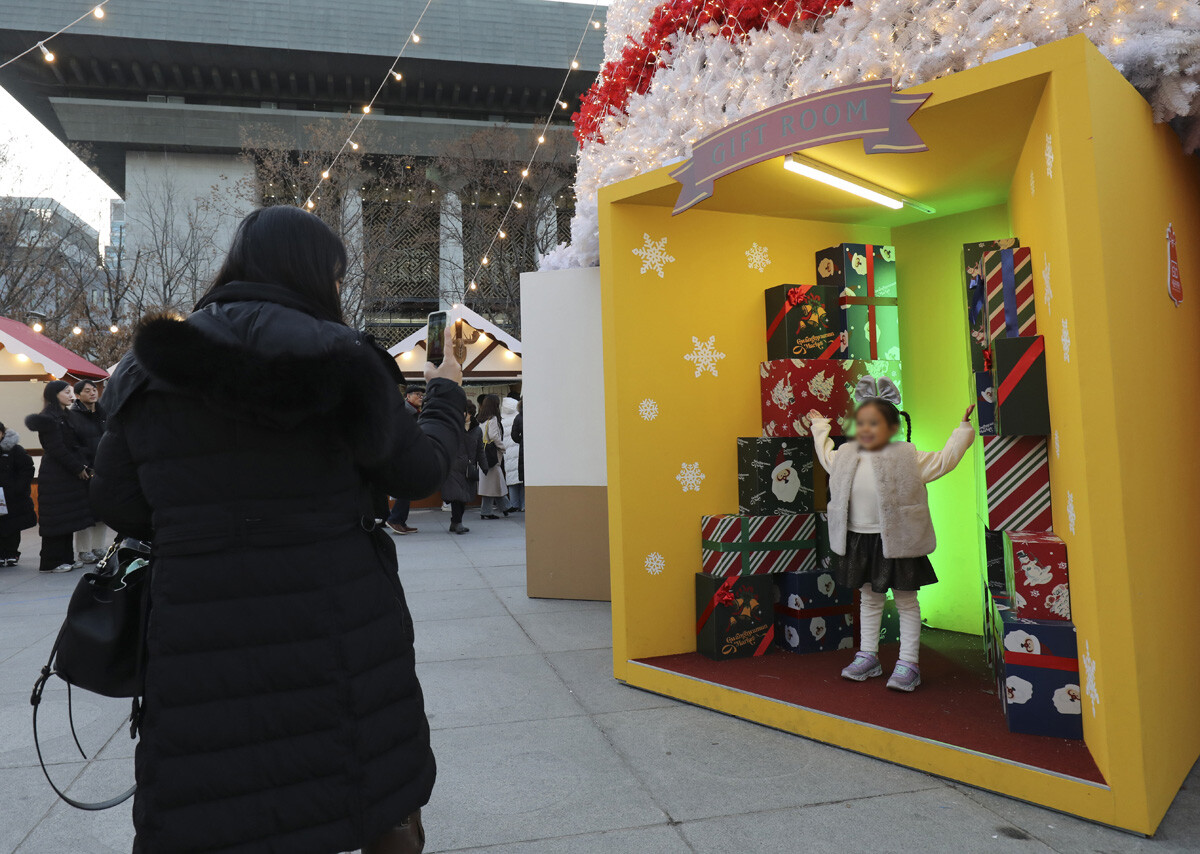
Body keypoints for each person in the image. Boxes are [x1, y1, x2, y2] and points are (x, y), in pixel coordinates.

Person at [90, 205, 465, 854]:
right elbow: (419, 471)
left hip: (199, 633)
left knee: (216, 800)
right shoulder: (347, 358)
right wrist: (445, 393)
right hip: (338, 622)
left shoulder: (147, 368)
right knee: (366, 787)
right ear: (318, 274)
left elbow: (117, 499)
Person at [808, 376, 974, 693]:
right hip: (859, 539)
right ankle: (868, 656)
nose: (867, 429)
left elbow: (944, 460)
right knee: (869, 598)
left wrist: (962, 430)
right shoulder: (845, 454)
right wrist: (820, 428)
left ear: (893, 427)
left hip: (898, 540)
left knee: (906, 601)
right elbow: (826, 456)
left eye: (875, 423)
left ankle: (908, 662)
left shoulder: (908, 457)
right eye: (862, 423)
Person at [25, 381, 94, 573]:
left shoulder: (65, 416)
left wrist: (83, 463)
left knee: (67, 519)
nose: (71, 395)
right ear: (54, 395)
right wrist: (77, 467)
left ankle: (66, 558)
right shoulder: (48, 418)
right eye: (66, 392)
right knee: (56, 520)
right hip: (55, 475)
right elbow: (56, 448)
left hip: (66, 474)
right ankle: (51, 562)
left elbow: (74, 444)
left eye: (71, 392)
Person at [69, 379, 111, 562]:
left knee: (103, 510)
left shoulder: (104, 413)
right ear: (78, 395)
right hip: (85, 470)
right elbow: (72, 445)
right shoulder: (73, 416)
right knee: (85, 512)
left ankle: (99, 547)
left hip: (105, 467)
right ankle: (84, 550)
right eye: (87, 390)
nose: (93, 393)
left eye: (94, 389)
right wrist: (83, 465)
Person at [386, 385, 425, 535]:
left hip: (407, 454)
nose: (420, 397)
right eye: (417, 394)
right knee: (406, 487)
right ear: (408, 396)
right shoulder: (404, 412)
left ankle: (400, 521)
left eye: (422, 395)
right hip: (402, 455)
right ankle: (395, 519)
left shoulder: (414, 412)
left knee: (408, 488)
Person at [440, 402, 483, 534]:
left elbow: (480, 449)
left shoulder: (477, 429)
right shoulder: (452, 427)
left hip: (468, 468)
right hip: (453, 466)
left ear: (471, 413)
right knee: (456, 495)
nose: (463, 414)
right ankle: (458, 523)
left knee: (464, 497)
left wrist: (484, 465)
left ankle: (455, 522)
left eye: (466, 412)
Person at [0, 421, 37, 566]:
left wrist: (18, 488)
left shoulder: (14, 449)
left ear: (3, 433)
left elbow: (27, 468)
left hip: (12, 496)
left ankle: (11, 553)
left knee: (12, 526)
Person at [476, 393, 508, 519]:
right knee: (491, 484)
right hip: (492, 456)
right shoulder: (493, 419)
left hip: (483, 454)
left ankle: (506, 506)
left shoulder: (480, 419)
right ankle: (487, 511)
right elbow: (494, 436)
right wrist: (502, 447)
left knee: (494, 482)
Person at [501, 395, 523, 513]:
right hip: (520, 451)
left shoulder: (502, 420)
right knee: (522, 481)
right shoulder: (519, 417)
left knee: (511, 480)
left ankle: (514, 504)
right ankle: (524, 505)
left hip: (508, 454)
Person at [510, 398, 524, 512]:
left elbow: (514, 435)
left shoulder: (518, 417)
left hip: (522, 450)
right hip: (534, 449)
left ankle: (515, 504)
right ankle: (525, 504)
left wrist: (522, 441)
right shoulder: (535, 415)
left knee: (523, 479)